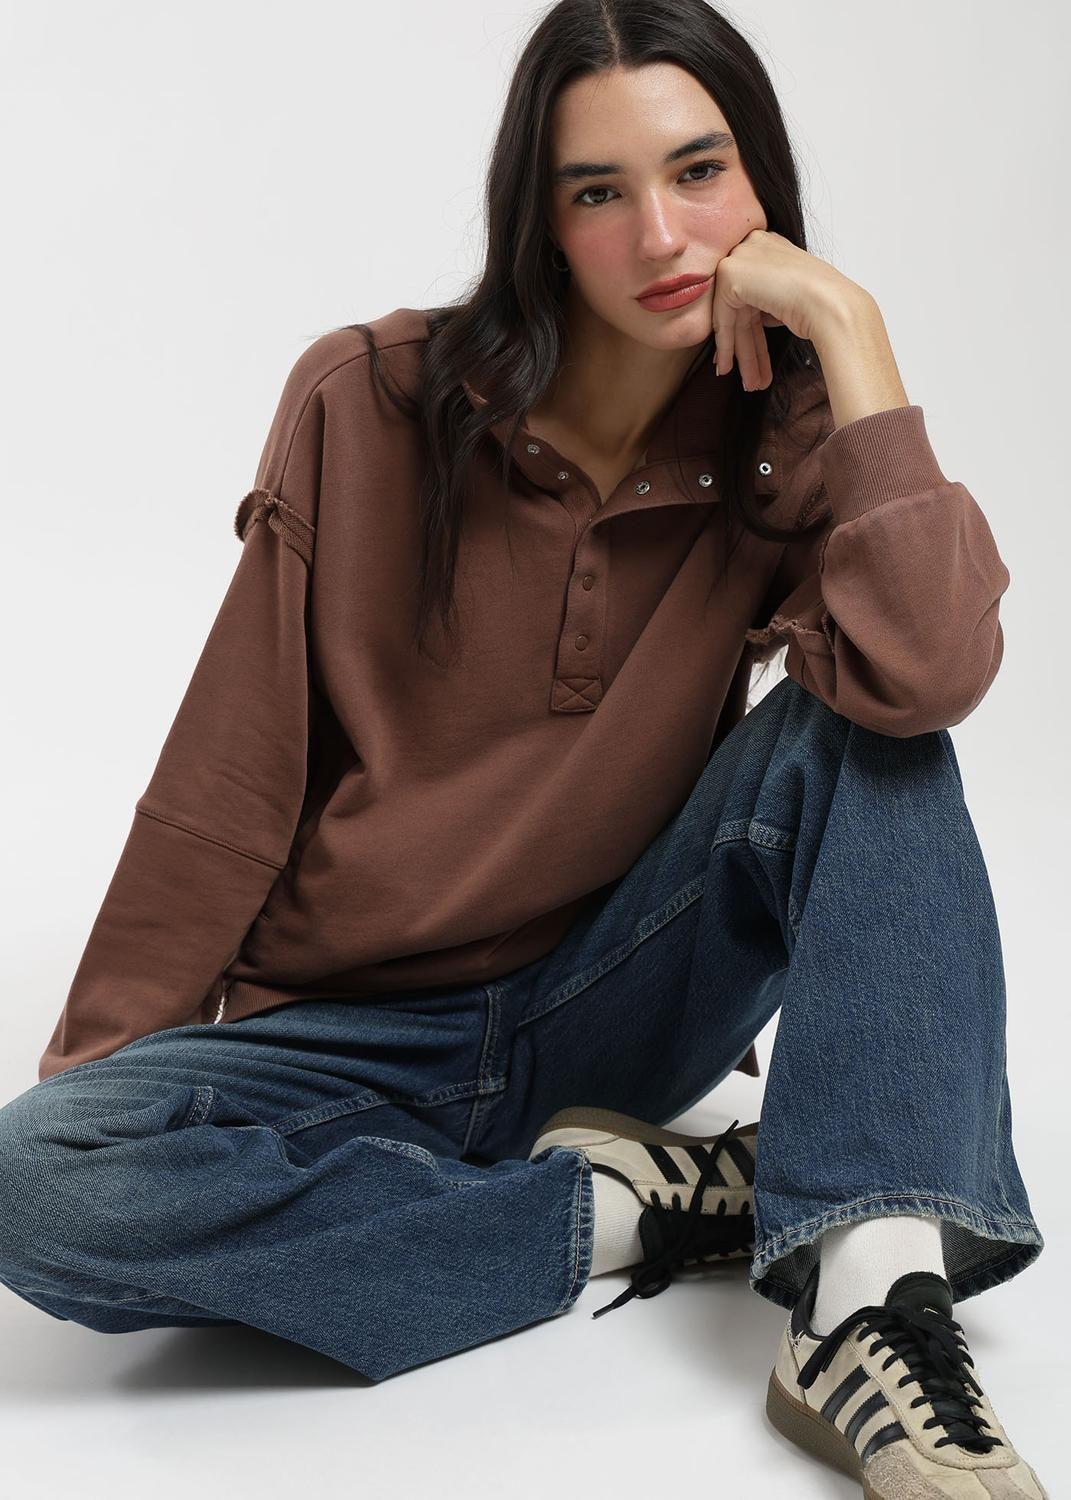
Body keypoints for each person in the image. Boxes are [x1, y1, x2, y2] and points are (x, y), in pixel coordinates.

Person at [0, 2, 1048, 1495]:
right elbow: (228, 780)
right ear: (540, 223)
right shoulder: (367, 401)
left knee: (871, 727)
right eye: (598, 191)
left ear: (761, 184)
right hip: (352, 1039)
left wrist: (854, 336)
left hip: (615, 1000)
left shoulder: (782, 436)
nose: (661, 234)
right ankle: (636, 1211)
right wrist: (121, 1103)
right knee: (31, 1182)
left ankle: (865, 1303)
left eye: (700, 172)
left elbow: (933, 670)